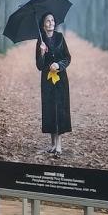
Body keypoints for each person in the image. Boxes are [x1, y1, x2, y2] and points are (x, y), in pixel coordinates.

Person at [36, 13, 72, 157]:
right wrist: (42, 53)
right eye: (47, 21)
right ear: (43, 24)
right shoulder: (40, 41)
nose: (50, 23)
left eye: (52, 20)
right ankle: (52, 144)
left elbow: (67, 58)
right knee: (50, 109)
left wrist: (59, 64)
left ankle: (59, 145)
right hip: (47, 80)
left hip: (61, 80)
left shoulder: (60, 38)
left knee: (60, 109)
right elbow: (39, 65)